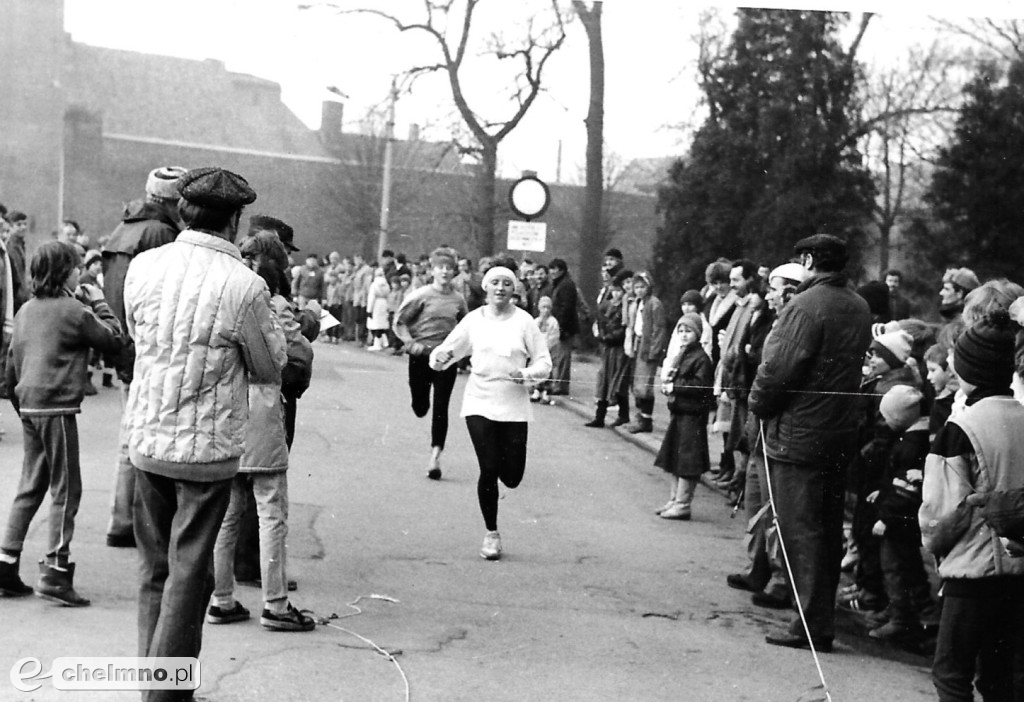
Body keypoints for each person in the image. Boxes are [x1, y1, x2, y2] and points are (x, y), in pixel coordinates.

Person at [123, 167, 286, 690]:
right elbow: (268, 366)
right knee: (189, 577)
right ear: (234, 220)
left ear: (183, 211)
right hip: (205, 450)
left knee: (154, 572)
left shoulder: (144, 266)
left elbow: (136, 335)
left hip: (146, 439)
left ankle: (154, 679)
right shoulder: (244, 285)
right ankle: (167, 692)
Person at [748, 233, 871, 652]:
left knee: (800, 532)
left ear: (808, 259)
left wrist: (758, 404)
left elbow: (778, 370)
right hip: (837, 435)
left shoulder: (804, 305)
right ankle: (818, 618)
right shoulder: (857, 305)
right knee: (825, 530)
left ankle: (810, 625)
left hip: (798, 436)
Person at [0, 241, 125, 604]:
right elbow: (114, 338)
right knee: (66, 488)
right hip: (56, 406)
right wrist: (98, 300)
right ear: (65, 272)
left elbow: (10, 364)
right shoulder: (75, 310)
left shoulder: (25, 310)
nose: (78, 272)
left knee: (31, 484)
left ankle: (6, 562)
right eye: (74, 267)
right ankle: (55, 570)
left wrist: (20, 400)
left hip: (28, 406)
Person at [207, 234, 315, 632]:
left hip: (228, 411)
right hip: (265, 410)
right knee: (271, 512)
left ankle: (221, 598)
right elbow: (295, 356)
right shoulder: (276, 305)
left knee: (228, 513)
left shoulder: (224, 296)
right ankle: (276, 603)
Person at [920, 309, 1024, 701]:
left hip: (971, 571)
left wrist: (935, 546)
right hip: (1017, 570)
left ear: (969, 370)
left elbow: (939, 514)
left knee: (951, 673)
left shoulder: (959, 427)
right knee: (999, 678)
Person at [429, 266, 552, 561]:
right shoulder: (474, 320)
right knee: (488, 468)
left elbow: (544, 363)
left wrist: (524, 374)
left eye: (507, 283)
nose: (500, 288)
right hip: (480, 399)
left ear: (514, 290)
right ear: (486, 288)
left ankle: (505, 486)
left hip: (513, 403)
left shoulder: (524, 322)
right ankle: (491, 534)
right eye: (494, 283)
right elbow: (445, 352)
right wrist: (439, 359)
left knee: (511, 477)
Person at [102, 165, 187, 549]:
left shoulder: (124, 228)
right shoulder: (162, 234)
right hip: (146, 345)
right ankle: (135, 523)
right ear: (172, 201)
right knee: (148, 441)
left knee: (129, 435)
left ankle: (121, 519)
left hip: (124, 342)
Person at [726, 261, 806, 610]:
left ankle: (778, 576)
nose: (769, 294)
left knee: (773, 508)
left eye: (774, 288)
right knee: (755, 501)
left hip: (775, 425)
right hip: (758, 424)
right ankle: (757, 566)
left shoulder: (791, 326)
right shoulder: (767, 320)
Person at [393, 247, 468, 480]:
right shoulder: (421, 295)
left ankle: (435, 456)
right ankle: (419, 402)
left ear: (454, 272)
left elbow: (466, 327)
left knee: (441, 407)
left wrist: (459, 351)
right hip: (420, 355)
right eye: (440, 268)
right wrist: (409, 343)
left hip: (445, 358)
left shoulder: (458, 299)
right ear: (433, 270)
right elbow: (400, 322)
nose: (445, 272)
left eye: (449, 268)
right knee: (420, 406)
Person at [866, 384, 933, 642]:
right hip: (904, 518)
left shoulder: (910, 446)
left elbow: (905, 489)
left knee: (895, 567)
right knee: (908, 564)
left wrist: (887, 516)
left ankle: (901, 617)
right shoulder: (913, 440)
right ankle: (908, 609)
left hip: (898, 521)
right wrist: (882, 495)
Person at [653, 312, 713, 520]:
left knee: (687, 460)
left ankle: (683, 503)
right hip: (680, 412)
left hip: (692, 415)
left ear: (697, 333)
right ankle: (674, 499)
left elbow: (699, 386)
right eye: (681, 331)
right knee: (675, 457)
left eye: (689, 331)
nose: (684, 335)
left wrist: (674, 387)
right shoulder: (684, 354)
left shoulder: (702, 359)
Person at [585, 271, 631, 428]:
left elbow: (623, 328)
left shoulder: (624, 308)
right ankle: (600, 416)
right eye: (614, 290)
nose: (617, 294)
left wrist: (610, 336)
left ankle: (623, 415)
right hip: (607, 348)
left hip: (618, 348)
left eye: (619, 290)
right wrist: (602, 335)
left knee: (618, 382)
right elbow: (600, 322)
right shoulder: (606, 306)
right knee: (603, 381)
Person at [625, 271, 668, 434]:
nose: (639, 290)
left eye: (643, 287)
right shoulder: (639, 303)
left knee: (645, 386)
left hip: (648, 347)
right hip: (638, 344)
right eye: (636, 287)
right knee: (637, 384)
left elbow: (659, 328)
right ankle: (640, 416)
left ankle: (646, 419)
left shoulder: (654, 304)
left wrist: (654, 351)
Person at [547, 258, 579, 397]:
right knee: (559, 357)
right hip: (560, 325)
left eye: (556, 269)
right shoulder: (560, 283)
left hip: (565, 327)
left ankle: (561, 386)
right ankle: (558, 384)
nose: (553, 272)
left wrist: (561, 327)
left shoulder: (566, 285)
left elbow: (566, 308)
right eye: (552, 269)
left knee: (563, 358)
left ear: (562, 270)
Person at [531, 295, 560, 406]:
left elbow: (554, 337)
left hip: (548, 351)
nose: (545, 310)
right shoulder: (536, 322)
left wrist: (546, 347)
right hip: (537, 351)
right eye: (543, 307)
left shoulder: (553, 322)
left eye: (548, 308)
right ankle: (537, 390)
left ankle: (546, 392)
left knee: (547, 372)